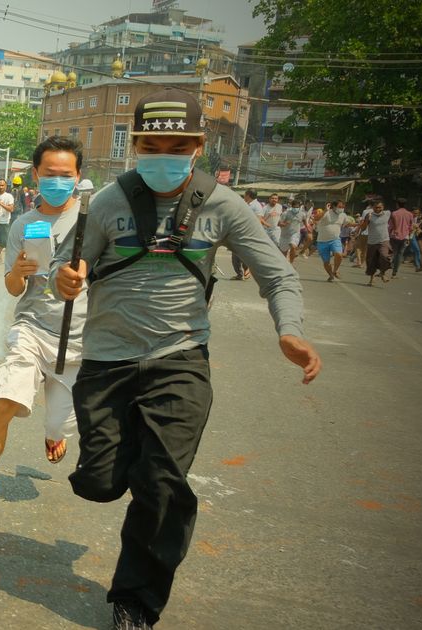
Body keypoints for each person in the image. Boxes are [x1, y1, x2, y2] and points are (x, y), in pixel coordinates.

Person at [50, 89, 320, 629]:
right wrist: (67, 279)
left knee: (163, 485)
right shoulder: (108, 201)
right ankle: (126, 474)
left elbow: (277, 273)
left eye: (178, 144)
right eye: (152, 143)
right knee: (100, 482)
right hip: (107, 363)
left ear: (199, 148)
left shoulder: (224, 205)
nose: (164, 153)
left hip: (181, 360)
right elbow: (65, 270)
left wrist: (288, 331)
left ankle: (135, 602)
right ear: (136, 146)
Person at [0, 137, 88, 518]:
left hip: (77, 338)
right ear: (36, 174)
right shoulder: (23, 226)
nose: (58, 181)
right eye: (50, 174)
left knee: (59, 422)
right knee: (5, 402)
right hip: (31, 326)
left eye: (66, 175)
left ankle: (54, 432)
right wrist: (19, 271)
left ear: (78, 176)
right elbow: (13, 289)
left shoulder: (92, 222)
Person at [314, 200, 350, 281]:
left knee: (339, 254)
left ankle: (335, 270)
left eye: (343, 207)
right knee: (326, 262)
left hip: (335, 239)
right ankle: (331, 275)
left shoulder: (343, 215)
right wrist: (325, 210)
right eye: (339, 207)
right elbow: (316, 218)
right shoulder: (326, 213)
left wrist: (359, 225)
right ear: (333, 206)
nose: (341, 209)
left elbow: (347, 224)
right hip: (322, 241)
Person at [358, 201, 392, 286]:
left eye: (380, 207)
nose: (378, 209)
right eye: (376, 207)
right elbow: (363, 228)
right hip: (372, 241)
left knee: (384, 257)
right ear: (373, 208)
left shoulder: (387, 213)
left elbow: (394, 220)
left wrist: (396, 228)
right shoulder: (370, 215)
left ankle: (382, 273)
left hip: (384, 240)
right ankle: (372, 279)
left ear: (383, 207)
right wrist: (366, 220)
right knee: (372, 261)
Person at [232, 189, 260, 279]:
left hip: (248, 234)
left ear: (248, 195)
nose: (244, 196)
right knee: (236, 255)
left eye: (245, 194)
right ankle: (240, 274)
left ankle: (246, 271)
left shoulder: (256, 206)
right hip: (240, 232)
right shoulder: (246, 204)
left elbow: (258, 220)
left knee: (243, 255)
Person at [388, 199, 415, 279]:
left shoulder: (394, 213)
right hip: (405, 236)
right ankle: (394, 273)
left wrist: (388, 234)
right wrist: (409, 236)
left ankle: (386, 269)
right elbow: (411, 226)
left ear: (397, 204)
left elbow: (390, 225)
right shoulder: (410, 214)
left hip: (394, 236)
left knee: (393, 253)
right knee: (400, 254)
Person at [278, 198, 305, 263]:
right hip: (284, 235)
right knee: (283, 253)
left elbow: (304, 220)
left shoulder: (302, 214)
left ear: (300, 206)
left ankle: (291, 263)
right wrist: (285, 224)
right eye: (294, 206)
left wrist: (308, 226)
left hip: (295, 234)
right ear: (292, 206)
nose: (296, 208)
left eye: (297, 207)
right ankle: (284, 266)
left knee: (293, 246)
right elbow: (279, 223)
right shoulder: (286, 213)